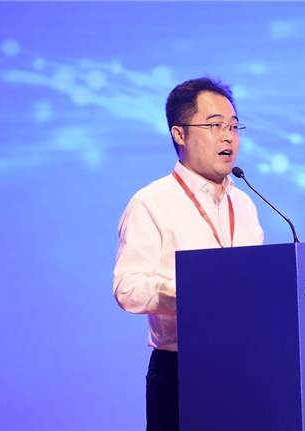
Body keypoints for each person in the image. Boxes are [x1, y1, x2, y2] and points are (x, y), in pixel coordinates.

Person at [113, 77, 264, 430]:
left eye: (233, 127)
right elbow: (127, 288)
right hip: (181, 371)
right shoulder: (152, 203)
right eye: (214, 126)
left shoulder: (244, 203)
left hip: (246, 365)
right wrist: (189, 292)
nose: (228, 137)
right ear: (179, 134)